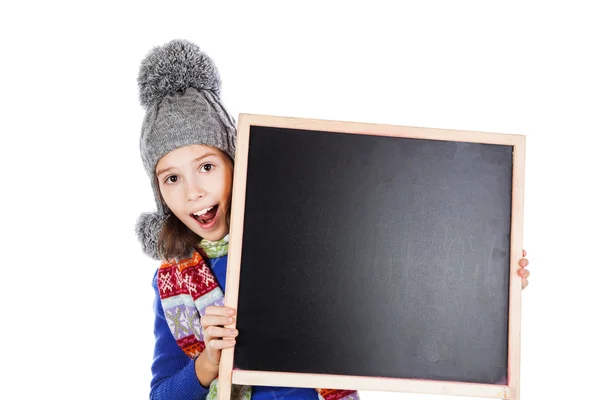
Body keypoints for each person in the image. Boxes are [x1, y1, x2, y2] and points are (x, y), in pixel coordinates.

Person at [135, 39, 531, 400]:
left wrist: (488, 277)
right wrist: (207, 363)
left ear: (237, 164)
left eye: (206, 167)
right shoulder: (172, 283)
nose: (193, 191)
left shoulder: (304, 238)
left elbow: (400, 276)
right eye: (172, 178)